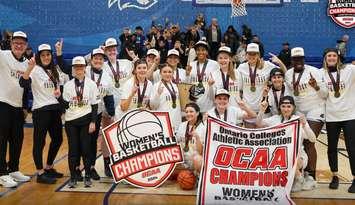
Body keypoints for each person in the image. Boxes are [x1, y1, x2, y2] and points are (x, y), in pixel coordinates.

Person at [19, 44, 63, 184]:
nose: (46, 57)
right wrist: (29, 69)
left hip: (55, 109)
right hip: (41, 110)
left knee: (58, 139)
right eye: (43, 55)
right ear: (39, 56)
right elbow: (23, 83)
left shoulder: (55, 69)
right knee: (40, 142)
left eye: (48, 54)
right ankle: (40, 173)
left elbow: (59, 88)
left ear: (51, 55)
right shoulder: (35, 70)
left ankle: (49, 167)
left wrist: (59, 94)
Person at [256, 96, 317, 192]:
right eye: (283, 106)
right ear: (280, 107)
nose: (286, 109)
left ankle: (300, 178)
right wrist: (262, 111)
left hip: (298, 156)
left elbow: (313, 139)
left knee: (292, 162)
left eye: (289, 106)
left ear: (293, 107)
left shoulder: (298, 120)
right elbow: (259, 123)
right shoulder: (275, 119)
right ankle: (302, 177)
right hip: (278, 157)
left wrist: (305, 125)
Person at [285, 47, 327, 181]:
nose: (298, 61)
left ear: (304, 59)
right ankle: (300, 173)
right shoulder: (288, 74)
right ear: (292, 60)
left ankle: (311, 176)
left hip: (316, 109)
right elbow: (291, 95)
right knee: (298, 143)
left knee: (309, 142)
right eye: (295, 59)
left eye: (300, 59)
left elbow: (325, 94)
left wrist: (316, 86)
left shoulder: (314, 71)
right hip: (299, 111)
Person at [320, 48, 355, 193]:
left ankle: (354, 177)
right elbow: (323, 95)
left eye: (334, 55)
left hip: (350, 115)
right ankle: (335, 176)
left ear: (338, 58)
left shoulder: (350, 69)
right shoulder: (321, 73)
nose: (332, 58)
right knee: (331, 148)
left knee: (352, 148)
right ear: (325, 58)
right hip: (332, 116)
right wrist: (316, 87)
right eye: (329, 56)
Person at [62, 56, 99, 188]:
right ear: (73, 69)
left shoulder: (91, 84)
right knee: (73, 150)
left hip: (86, 121)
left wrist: (93, 122)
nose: (79, 69)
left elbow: (95, 105)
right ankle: (73, 177)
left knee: (86, 149)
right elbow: (65, 106)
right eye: (76, 67)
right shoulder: (67, 85)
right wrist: (59, 98)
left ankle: (87, 175)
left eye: (81, 67)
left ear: (85, 68)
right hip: (71, 122)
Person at [0, 31, 31, 188]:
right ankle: (1, 173)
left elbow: (25, 87)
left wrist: (25, 107)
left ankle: (13, 169)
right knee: (1, 140)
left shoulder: (26, 63)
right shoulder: (3, 56)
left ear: (26, 46)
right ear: (11, 44)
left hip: (18, 107)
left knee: (17, 140)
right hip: (3, 104)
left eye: (22, 43)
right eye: (16, 43)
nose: (19, 46)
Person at [237, 43, 286, 127]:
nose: (251, 56)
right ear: (246, 55)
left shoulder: (267, 65)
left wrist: (280, 62)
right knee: (250, 137)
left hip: (264, 110)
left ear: (258, 54)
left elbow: (285, 74)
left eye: (254, 54)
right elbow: (238, 88)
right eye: (249, 54)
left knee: (263, 138)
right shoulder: (241, 67)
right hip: (248, 110)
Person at [85, 48, 115, 181]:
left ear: (104, 61)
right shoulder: (84, 71)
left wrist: (112, 113)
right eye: (95, 58)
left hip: (96, 114)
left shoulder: (107, 76)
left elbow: (109, 97)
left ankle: (91, 168)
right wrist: (60, 54)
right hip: (82, 113)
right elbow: (66, 68)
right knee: (81, 142)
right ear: (91, 60)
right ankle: (78, 169)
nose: (98, 60)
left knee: (92, 142)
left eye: (100, 59)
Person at [186, 40, 219, 113]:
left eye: (203, 50)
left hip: (209, 104)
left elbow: (217, 83)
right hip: (194, 103)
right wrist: (187, 75)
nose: (200, 52)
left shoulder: (214, 64)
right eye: (198, 50)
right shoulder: (191, 64)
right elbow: (188, 84)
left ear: (207, 52)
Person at [150, 64, 181, 131]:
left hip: (176, 120)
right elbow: (152, 106)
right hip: (163, 121)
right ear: (160, 73)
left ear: (173, 73)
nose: (167, 74)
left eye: (170, 72)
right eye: (164, 72)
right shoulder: (156, 86)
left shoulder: (176, 86)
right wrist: (157, 94)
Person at [176, 103, 205, 174]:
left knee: (198, 159)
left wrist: (197, 137)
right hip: (183, 159)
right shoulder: (181, 125)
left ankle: (198, 177)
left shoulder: (203, 127)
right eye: (186, 112)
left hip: (194, 159)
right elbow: (177, 144)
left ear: (197, 113)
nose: (188, 114)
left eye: (191, 111)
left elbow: (201, 151)